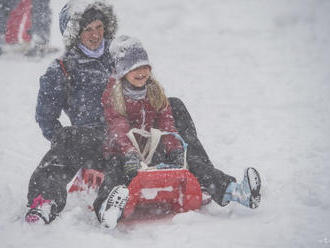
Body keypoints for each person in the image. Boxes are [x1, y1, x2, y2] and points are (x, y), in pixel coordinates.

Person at [99, 36, 262, 229]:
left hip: (150, 151)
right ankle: (108, 208)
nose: (141, 72)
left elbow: (166, 122)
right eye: (133, 68)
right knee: (116, 169)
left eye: (144, 67)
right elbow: (118, 127)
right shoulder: (114, 95)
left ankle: (232, 191)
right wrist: (129, 153)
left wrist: (175, 148)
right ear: (122, 72)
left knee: (190, 160)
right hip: (123, 152)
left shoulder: (154, 91)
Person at [25, 0, 118, 224]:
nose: (96, 35)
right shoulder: (62, 68)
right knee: (69, 135)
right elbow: (46, 116)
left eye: (99, 27)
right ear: (75, 33)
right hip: (95, 141)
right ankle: (45, 199)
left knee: (174, 106)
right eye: (88, 29)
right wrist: (65, 143)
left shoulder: (119, 55)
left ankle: (203, 176)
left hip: (132, 134)